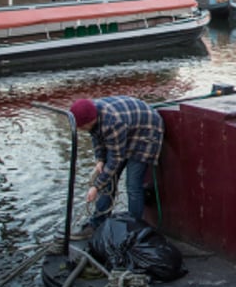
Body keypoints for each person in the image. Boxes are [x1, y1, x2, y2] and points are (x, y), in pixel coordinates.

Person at [70, 96, 165, 237]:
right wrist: (100, 159)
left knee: (133, 185)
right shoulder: (92, 115)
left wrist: (96, 186)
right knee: (109, 183)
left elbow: (116, 160)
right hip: (129, 127)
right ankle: (97, 224)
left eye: (81, 127)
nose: (80, 129)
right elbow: (96, 136)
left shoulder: (112, 123)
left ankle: (134, 228)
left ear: (90, 121)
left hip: (147, 133)